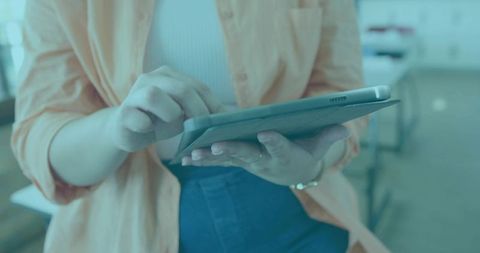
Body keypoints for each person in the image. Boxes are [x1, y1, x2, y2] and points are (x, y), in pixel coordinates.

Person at [11, 0, 389, 252]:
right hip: (130, 223)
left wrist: (312, 163)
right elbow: (42, 139)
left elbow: (343, 96)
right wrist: (115, 129)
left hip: (295, 205)